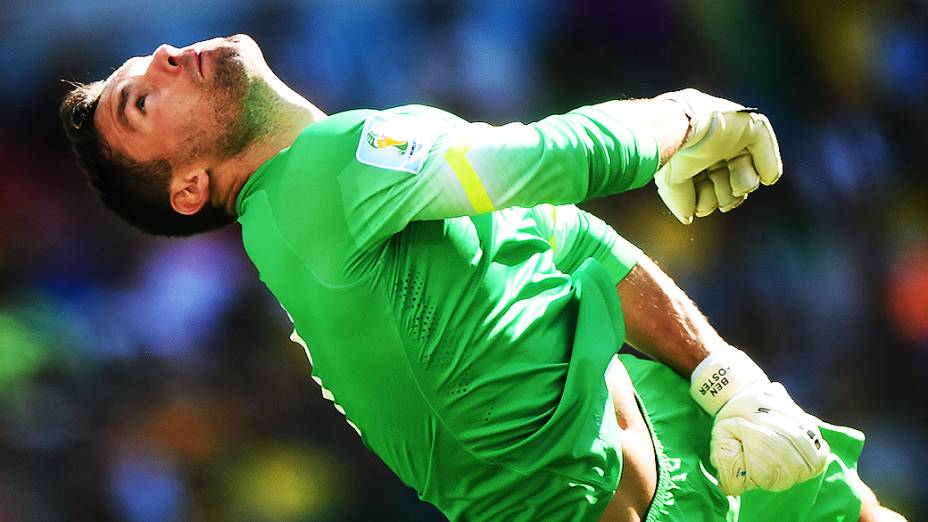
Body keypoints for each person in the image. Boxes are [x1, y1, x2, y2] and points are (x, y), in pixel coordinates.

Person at [59, 34, 905, 521]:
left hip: (697, 443)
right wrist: (688, 113)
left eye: (149, 61)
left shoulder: (365, 163)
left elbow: (572, 243)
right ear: (189, 187)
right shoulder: (316, 180)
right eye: (141, 100)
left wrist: (726, 380)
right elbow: (553, 162)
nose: (165, 56)